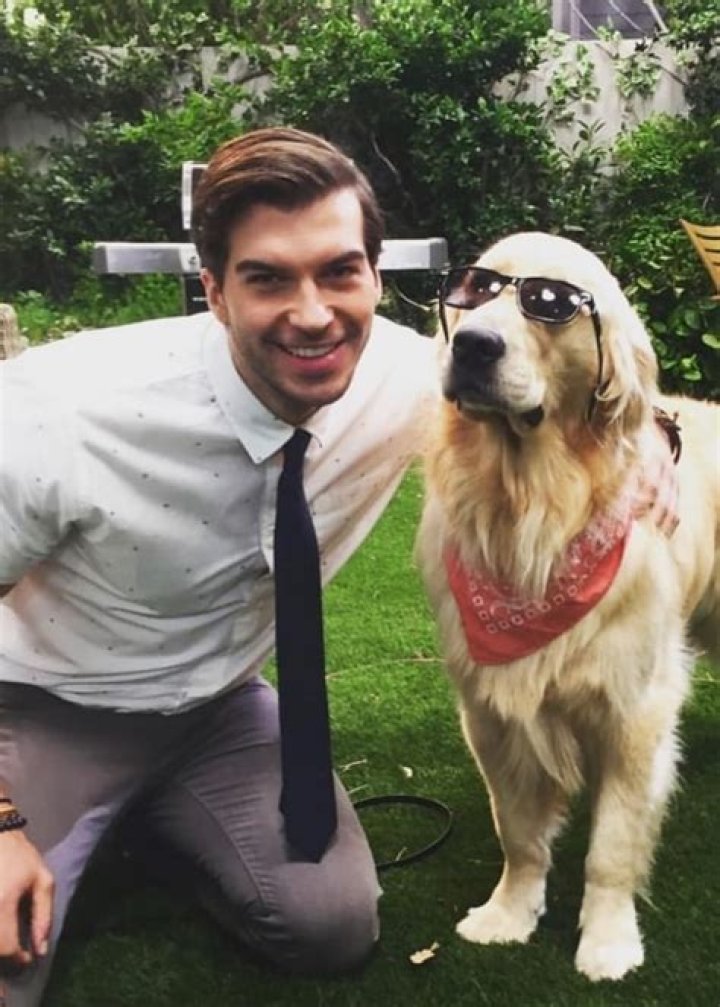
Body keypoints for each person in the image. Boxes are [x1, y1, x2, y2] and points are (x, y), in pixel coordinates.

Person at [0, 126, 676, 1007]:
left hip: (218, 709)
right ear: (213, 289)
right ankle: (83, 817)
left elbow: (585, 381)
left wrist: (657, 436)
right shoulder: (59, 411)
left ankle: (146, 825)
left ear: (375, 278)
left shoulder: (402, 373)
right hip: (48, 708)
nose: (314, 314)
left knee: (328, 924)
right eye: (268, 278)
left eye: (339, 272)